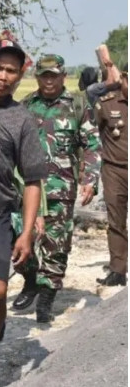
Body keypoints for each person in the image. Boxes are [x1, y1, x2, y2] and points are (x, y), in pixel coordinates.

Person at [0, 37, 48, 368]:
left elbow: (32, 181)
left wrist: (27, 232)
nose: (3, 76)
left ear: (19, 76)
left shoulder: (21, 118)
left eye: (11, 71)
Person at [11, 54, 101, 323]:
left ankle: (48, 294)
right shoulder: (24, 107)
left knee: (56, 244)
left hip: (60, 188)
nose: (49, 81)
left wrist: (90, 180)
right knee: (19, 237)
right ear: (36, 77)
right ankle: (30, 279)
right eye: (44, 75)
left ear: (63, 76)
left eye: (54, 75)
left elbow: (93, 145)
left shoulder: (78, 106)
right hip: (27, 187)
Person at [95, 64, 128, 286]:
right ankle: (118, 270)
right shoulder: (106, 103)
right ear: (124, 78)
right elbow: (90, 134)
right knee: (116, 220)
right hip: (115, 169)